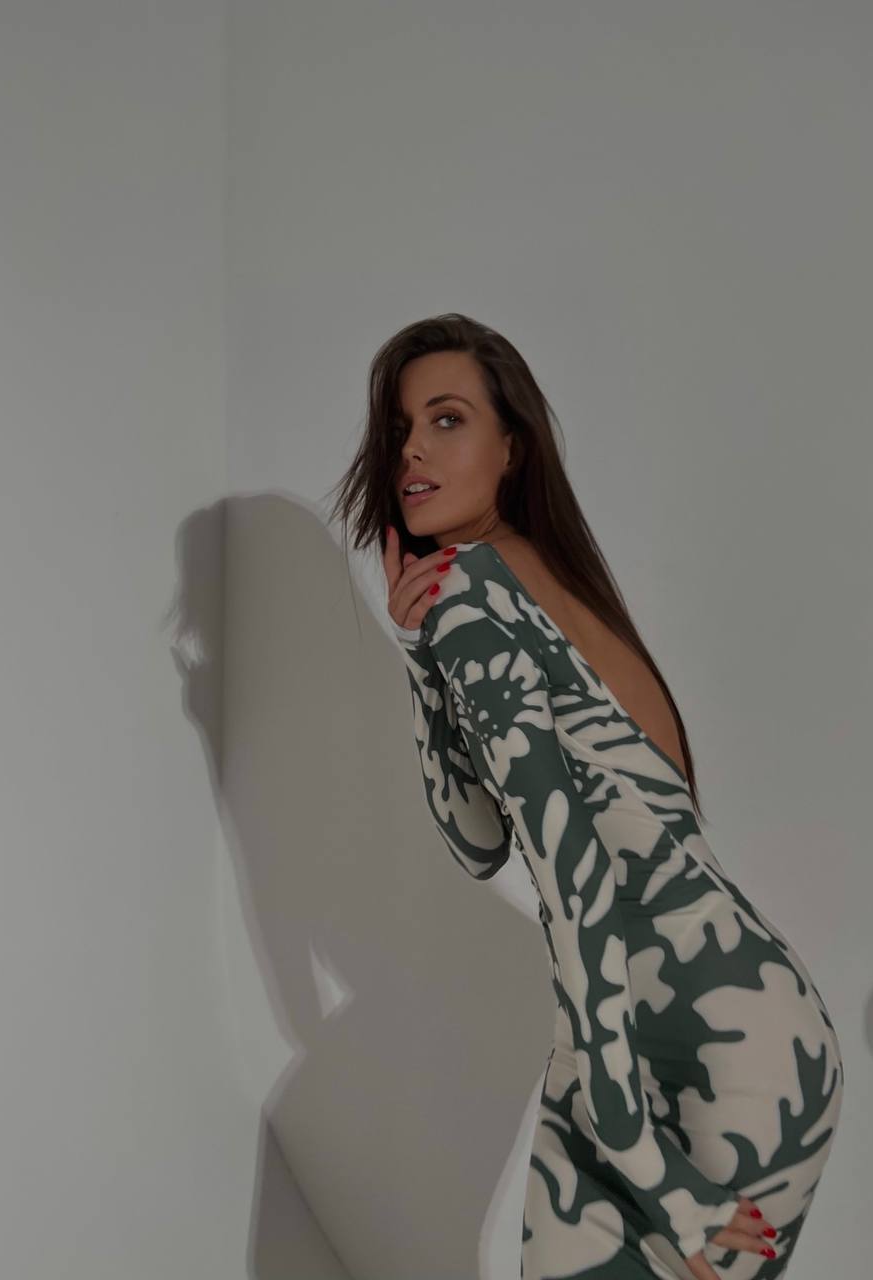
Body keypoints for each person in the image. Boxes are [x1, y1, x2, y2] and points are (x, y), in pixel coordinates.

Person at [327, 313, 845, 1279]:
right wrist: (422, 663)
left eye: (446, 419)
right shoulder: (534, 581)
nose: (411, 452)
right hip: (693, 1031)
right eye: (399, 428)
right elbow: (483, 842)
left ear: (511, 446)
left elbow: (578, 882)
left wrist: (645, 1160)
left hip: (693, 1049)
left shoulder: (476, 599)